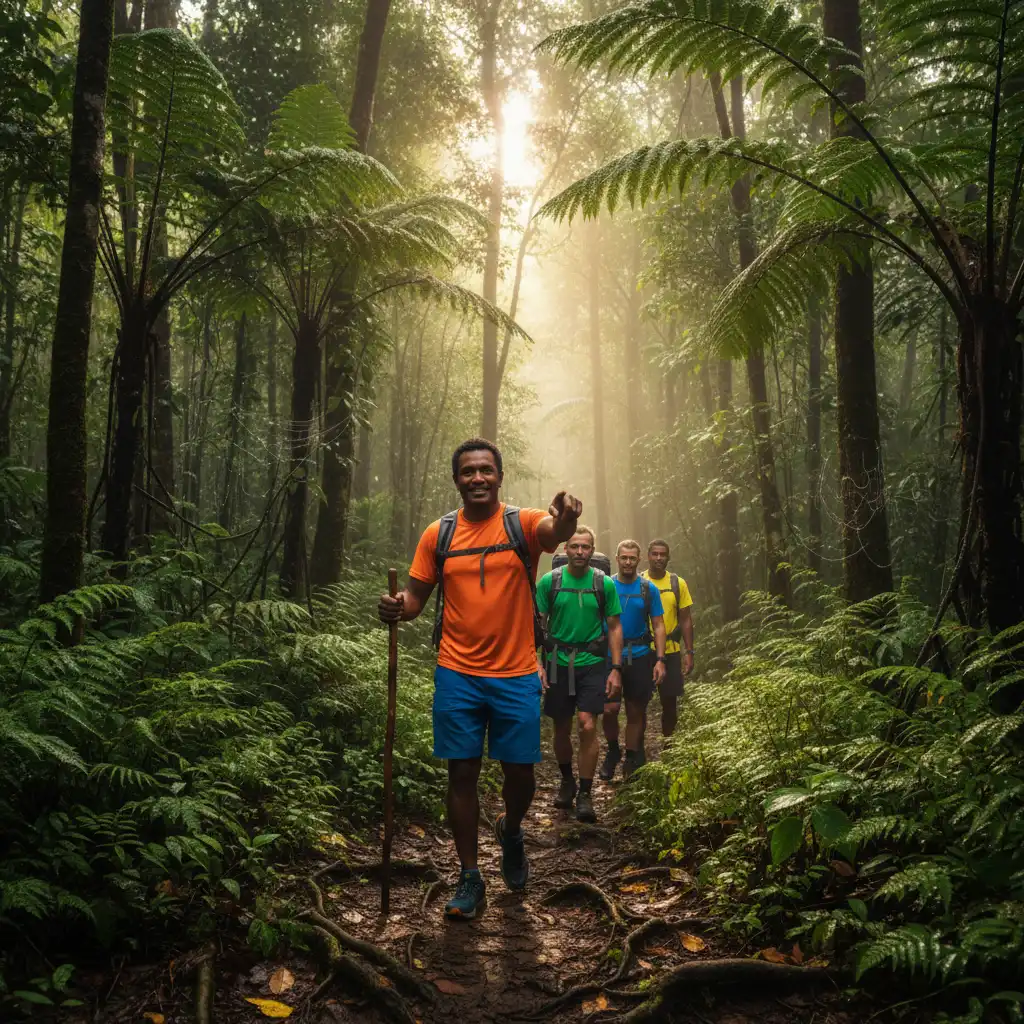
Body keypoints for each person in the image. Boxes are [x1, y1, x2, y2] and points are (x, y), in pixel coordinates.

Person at [377, 438, 583, 920]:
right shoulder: (439, 535)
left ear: (499, 476)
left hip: (515, 673)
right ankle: (470, 876)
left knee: (521, 776)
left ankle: (511, 829)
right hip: (457, 673)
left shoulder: (524, 524)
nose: (477, 478)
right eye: (468, 472)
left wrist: (568, 516)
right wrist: (395, 608)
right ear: (456, 480)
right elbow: (414, 599)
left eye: (485, 470)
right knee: (462, 772)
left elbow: (556, 533)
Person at [536, 527, 623, 823]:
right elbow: (536, 624)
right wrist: (536, 663)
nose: (580, 552)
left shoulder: (604, 584)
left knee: (587, 726)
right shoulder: (550, 582)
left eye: (586, 547)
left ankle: (586, 793)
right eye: (574, 546)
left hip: (593, 662)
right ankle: (566, 780)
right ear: (565, 548)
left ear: (593, 550)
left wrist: (615, 669)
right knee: (561, 728)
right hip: (557, 662)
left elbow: (614, 627)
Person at [600, 540, 666, 781]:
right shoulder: (606, 586)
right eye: (624, 558)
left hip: (639, 655)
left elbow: (658, 625)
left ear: (639, 560)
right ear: (617, 559)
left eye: (632, 558)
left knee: (635, 711)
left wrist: (660, 659)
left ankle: (630, 757)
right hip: (609, 657)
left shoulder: (648, 589)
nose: (628, 562)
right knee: (609, 709)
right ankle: (613, 750)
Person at [641, 538, 694, 739]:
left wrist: (689, 652)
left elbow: (686, 620)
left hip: (671, 651)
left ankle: (669, 745)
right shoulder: (639, 582)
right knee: (639, 703)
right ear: (647, 556)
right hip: (643, 651)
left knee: (670, 704)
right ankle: (637, 751)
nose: (658, 558)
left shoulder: (677, 583)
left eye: (663, 554)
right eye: (654, 554)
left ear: (668, 557)